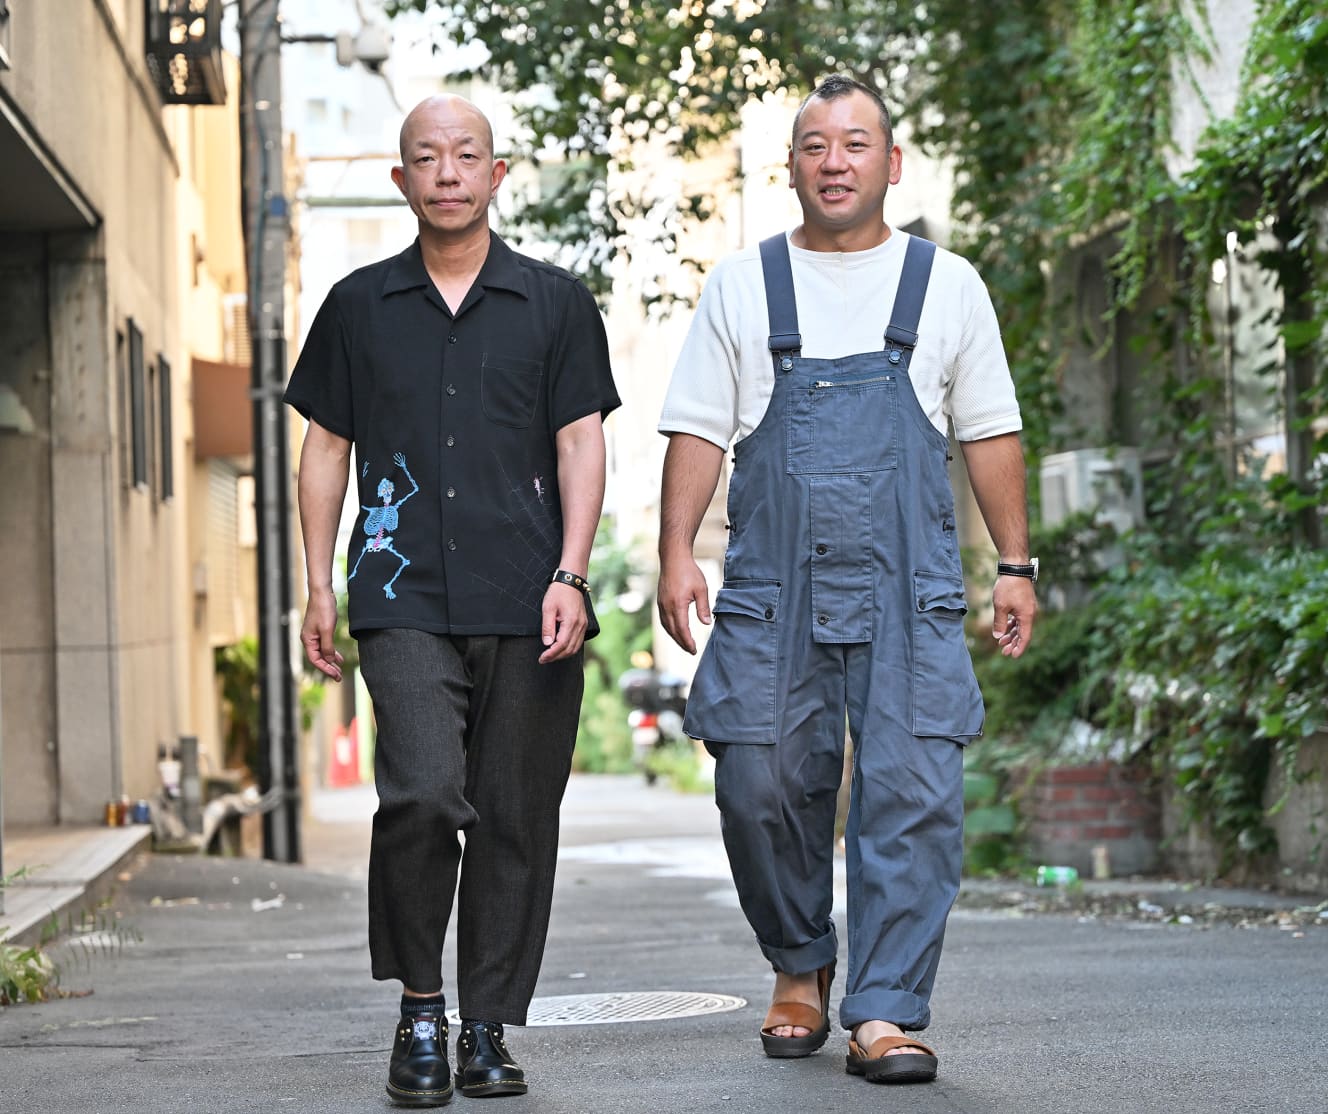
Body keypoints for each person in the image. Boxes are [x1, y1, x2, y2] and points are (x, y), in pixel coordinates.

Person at [657, 74, 1037, 1086]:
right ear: (791, 166)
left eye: (855, 143)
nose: (834, 160)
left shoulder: (944, 284)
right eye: (815, 144)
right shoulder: (743, 286)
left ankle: (883, 1008)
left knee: (912, 794)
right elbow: (696, 426)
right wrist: (673, 552)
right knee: (755, 777)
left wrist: (1012, 563)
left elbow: (988, 430)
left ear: (890, 164)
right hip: (768, 590)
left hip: (907, 584)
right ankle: (799, 959)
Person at [286, 94, 620, 1107]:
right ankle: (419, 1009)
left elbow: (579, 442)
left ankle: (485, 1029)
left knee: (516, 815)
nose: (446, 172)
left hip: (528, 596)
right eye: (426, 157)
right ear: (401, 179)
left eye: (464, 155)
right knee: (424, 793)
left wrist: (570, 570)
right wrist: (314, 585)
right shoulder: (355, 305)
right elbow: (325, 448)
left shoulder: (553, 303)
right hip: (398, 594)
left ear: (495, 174)